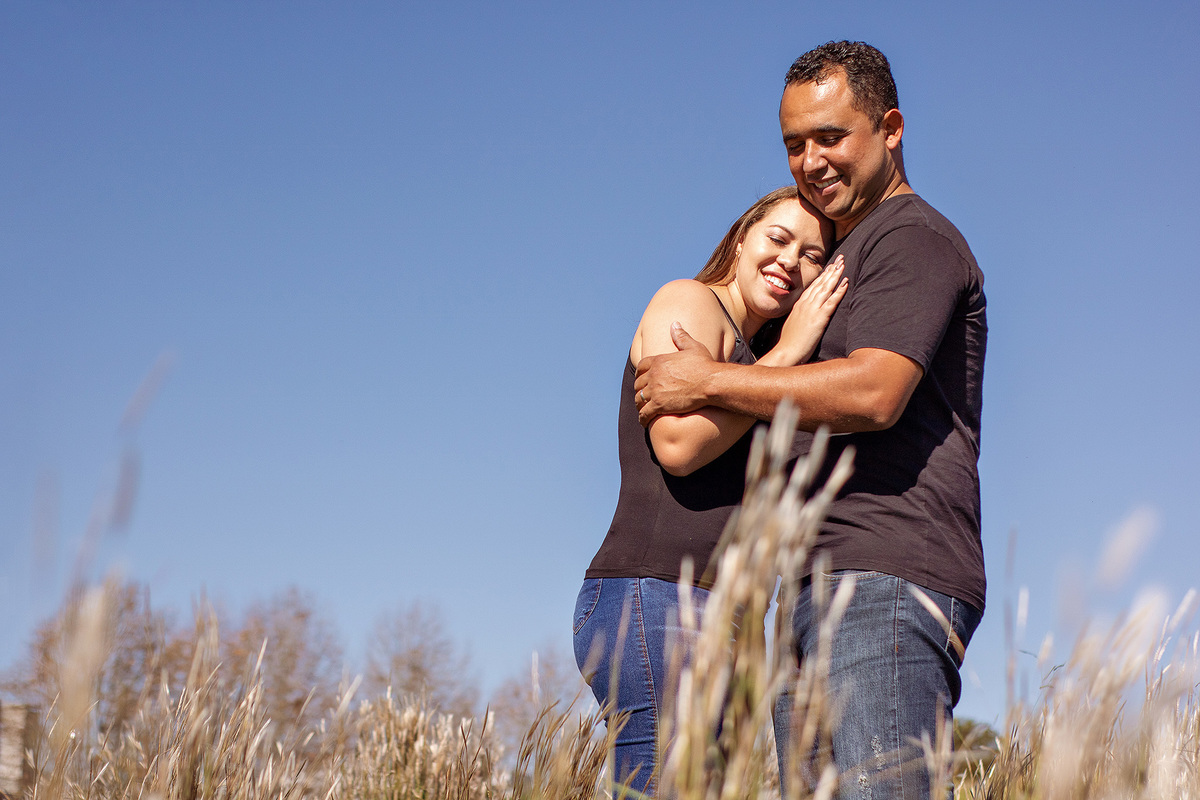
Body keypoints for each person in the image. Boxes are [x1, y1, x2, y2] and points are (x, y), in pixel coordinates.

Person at [633, 41, 986, 800]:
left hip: (884, 577)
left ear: (890, 129)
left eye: (831, 137)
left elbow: (875, 392)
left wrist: (707, 378)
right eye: (795, 143)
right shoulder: (840, 258)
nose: (811, 161)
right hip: (810, 588)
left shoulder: (912, 237)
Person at [573, 186, 847, 797]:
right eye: (778, 239)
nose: (790, 262)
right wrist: (790, 352)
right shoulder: (690, 302)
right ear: (742, 239)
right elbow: (678, 444)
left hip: (723, 615)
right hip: (658, 597)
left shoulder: (752, 361)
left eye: (811, 256)